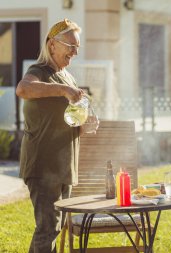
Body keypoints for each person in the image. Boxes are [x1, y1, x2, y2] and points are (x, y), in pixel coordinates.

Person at [16, 19, 97, 253]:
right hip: (43, 164)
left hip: (63, 166)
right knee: (47, 227)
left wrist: (84, 127)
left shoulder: (67, 77)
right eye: (70, 46)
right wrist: (63, 90)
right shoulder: (39, 71)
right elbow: (23, 89)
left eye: (77, 47)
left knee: (55, 226)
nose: (74, 52)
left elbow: (63, 122)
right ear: (52, 45)